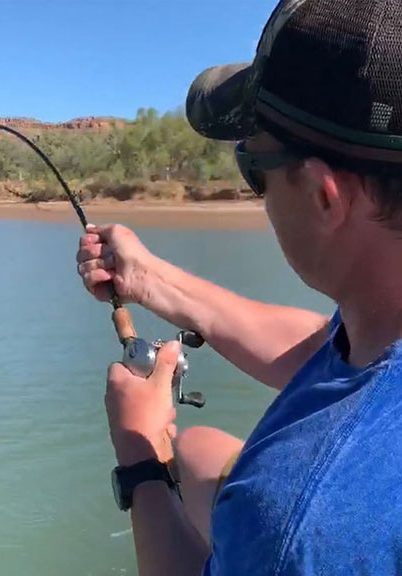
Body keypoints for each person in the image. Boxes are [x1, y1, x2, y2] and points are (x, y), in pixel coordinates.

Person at [76, 1, 402, 575]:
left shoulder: (299, 530)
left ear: (325, 196)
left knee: (198, 474)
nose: (258, 191)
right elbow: (329, 355)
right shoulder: (381, 318)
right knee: (200, 451)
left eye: (255, 169)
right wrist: (148, 278)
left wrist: (141, 457)